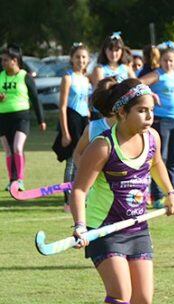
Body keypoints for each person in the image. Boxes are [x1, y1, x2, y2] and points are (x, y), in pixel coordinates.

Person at [70, 77, 174, 304]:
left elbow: (157, 164)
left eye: (150, 111)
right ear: (121, 113)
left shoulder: (153, 139)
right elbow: (78, 190)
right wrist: (80, 227)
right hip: (104, 230)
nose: (149, 117)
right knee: (120, 293)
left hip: (137, 228)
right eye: (142, 111)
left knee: (143, 303)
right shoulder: (103, 146)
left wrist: (170, 193)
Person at [140, 41, 174, 208]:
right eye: (165, 60)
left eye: (171, 60)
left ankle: (172, 195)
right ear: (160, 61)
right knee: (159, 158)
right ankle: (157, 196)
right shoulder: (158, 74)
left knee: (173, 159)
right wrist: (152, 95)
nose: (168, 63)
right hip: (162, 120)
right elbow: (139, 83)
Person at [0, 45, 46, 191]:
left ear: (15, 60)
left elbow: (35, 99)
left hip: (21, 118)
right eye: (2, 60)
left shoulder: (25, 76)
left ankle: (20, 180)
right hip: (3, 118)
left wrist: (41, 120)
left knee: (17, 148)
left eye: (6, 60)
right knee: (8, 151)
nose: (3, 63)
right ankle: (11, 180)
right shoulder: (1, 76)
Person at [52, 43, 91, 210]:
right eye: (77, 57)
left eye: (83, 57)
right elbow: (62, 106)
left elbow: (86, 102)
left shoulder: (86, 79)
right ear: (72, 59)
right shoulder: (68, 77)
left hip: (84, 121)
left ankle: (80, 195)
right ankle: (67, 200)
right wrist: (65, 132)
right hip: (71, 120)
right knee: (71, 162)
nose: (80, 60)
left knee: (83, 161)